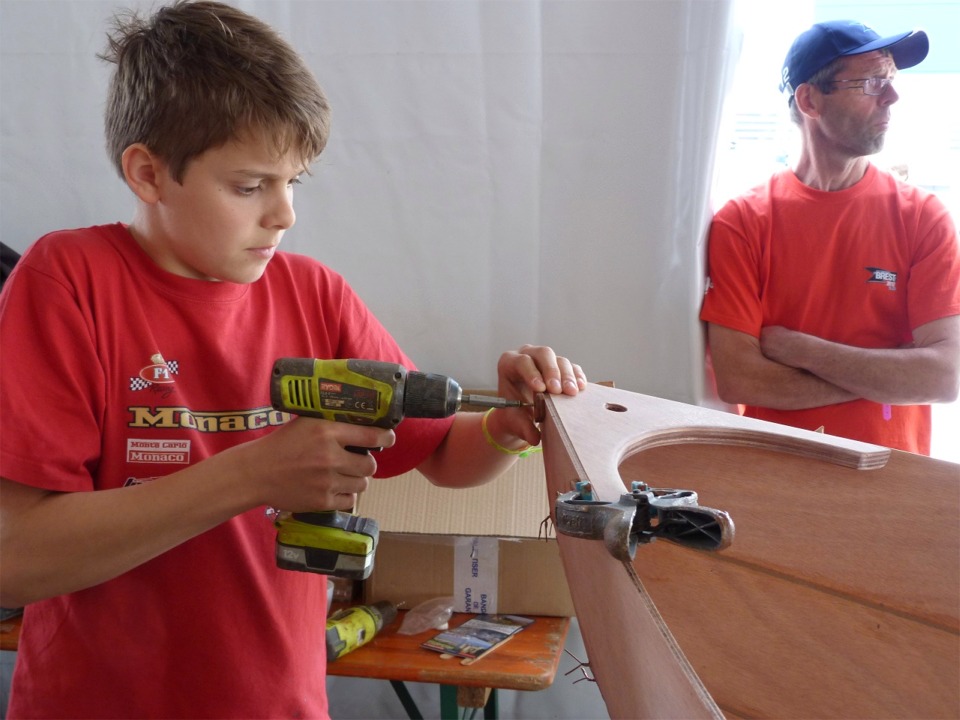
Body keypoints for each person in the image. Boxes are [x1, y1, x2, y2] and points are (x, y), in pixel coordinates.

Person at [0, 2, 586, 717]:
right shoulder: (69, 279)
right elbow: (16, 559)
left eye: (292, 182)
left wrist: (506, 427)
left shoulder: (315, 295)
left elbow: (441, 457)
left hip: (278, 702)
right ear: (148, 174)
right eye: (250, 186)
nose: (284, 213)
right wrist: (252, 473)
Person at [700, 19, 960, 455]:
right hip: (777, 485)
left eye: (891, 80)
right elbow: (740, 379)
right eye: (873, 82)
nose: (892, 96)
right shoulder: (743, 221)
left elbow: (944, 376)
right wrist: (887, 374)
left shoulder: (923, 218)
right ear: (810, 100)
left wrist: (799, 349)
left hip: (896, 488)